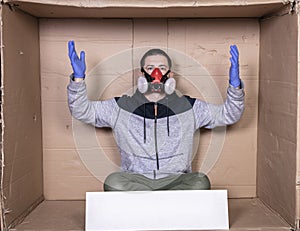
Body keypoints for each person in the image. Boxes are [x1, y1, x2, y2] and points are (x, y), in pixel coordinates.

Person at [67, 40, 244, 191]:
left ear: (170, 74)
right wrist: (78, 79)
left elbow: (229, 114)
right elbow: (81, 110)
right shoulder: (121, 107)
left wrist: (235, 86)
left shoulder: (189, 107)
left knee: (200, 181)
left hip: (176, 181)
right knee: (113, 182)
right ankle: (164, 205)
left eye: (161, 68)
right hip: (137, 181)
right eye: (150, 68)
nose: (156, 74)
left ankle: (149, 205)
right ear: (141, 74)